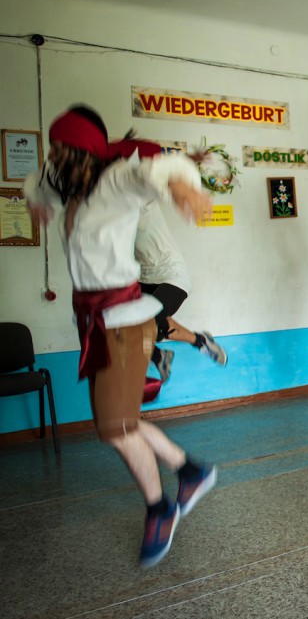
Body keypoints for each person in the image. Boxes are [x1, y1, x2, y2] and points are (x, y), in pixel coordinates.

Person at [25, 105, 217, 568]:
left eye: (58, 146)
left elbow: (153, 168)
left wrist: (182, 185)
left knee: (116, 428)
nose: (51, 155)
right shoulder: (69, 187)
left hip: (124, 320)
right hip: (96, 321)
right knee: (118, 424)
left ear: (81, 150)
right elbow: (37, 183)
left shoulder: (113, 181)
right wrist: (34, 196)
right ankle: (190, 471)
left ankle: (161, 507)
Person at [135, 200, 228, 385]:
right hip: (144, 278)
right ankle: (200, 342)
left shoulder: (142, 200)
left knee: (145, 324)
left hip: (173, 276)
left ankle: (160, 355)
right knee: (148, 325)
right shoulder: (110, 213)